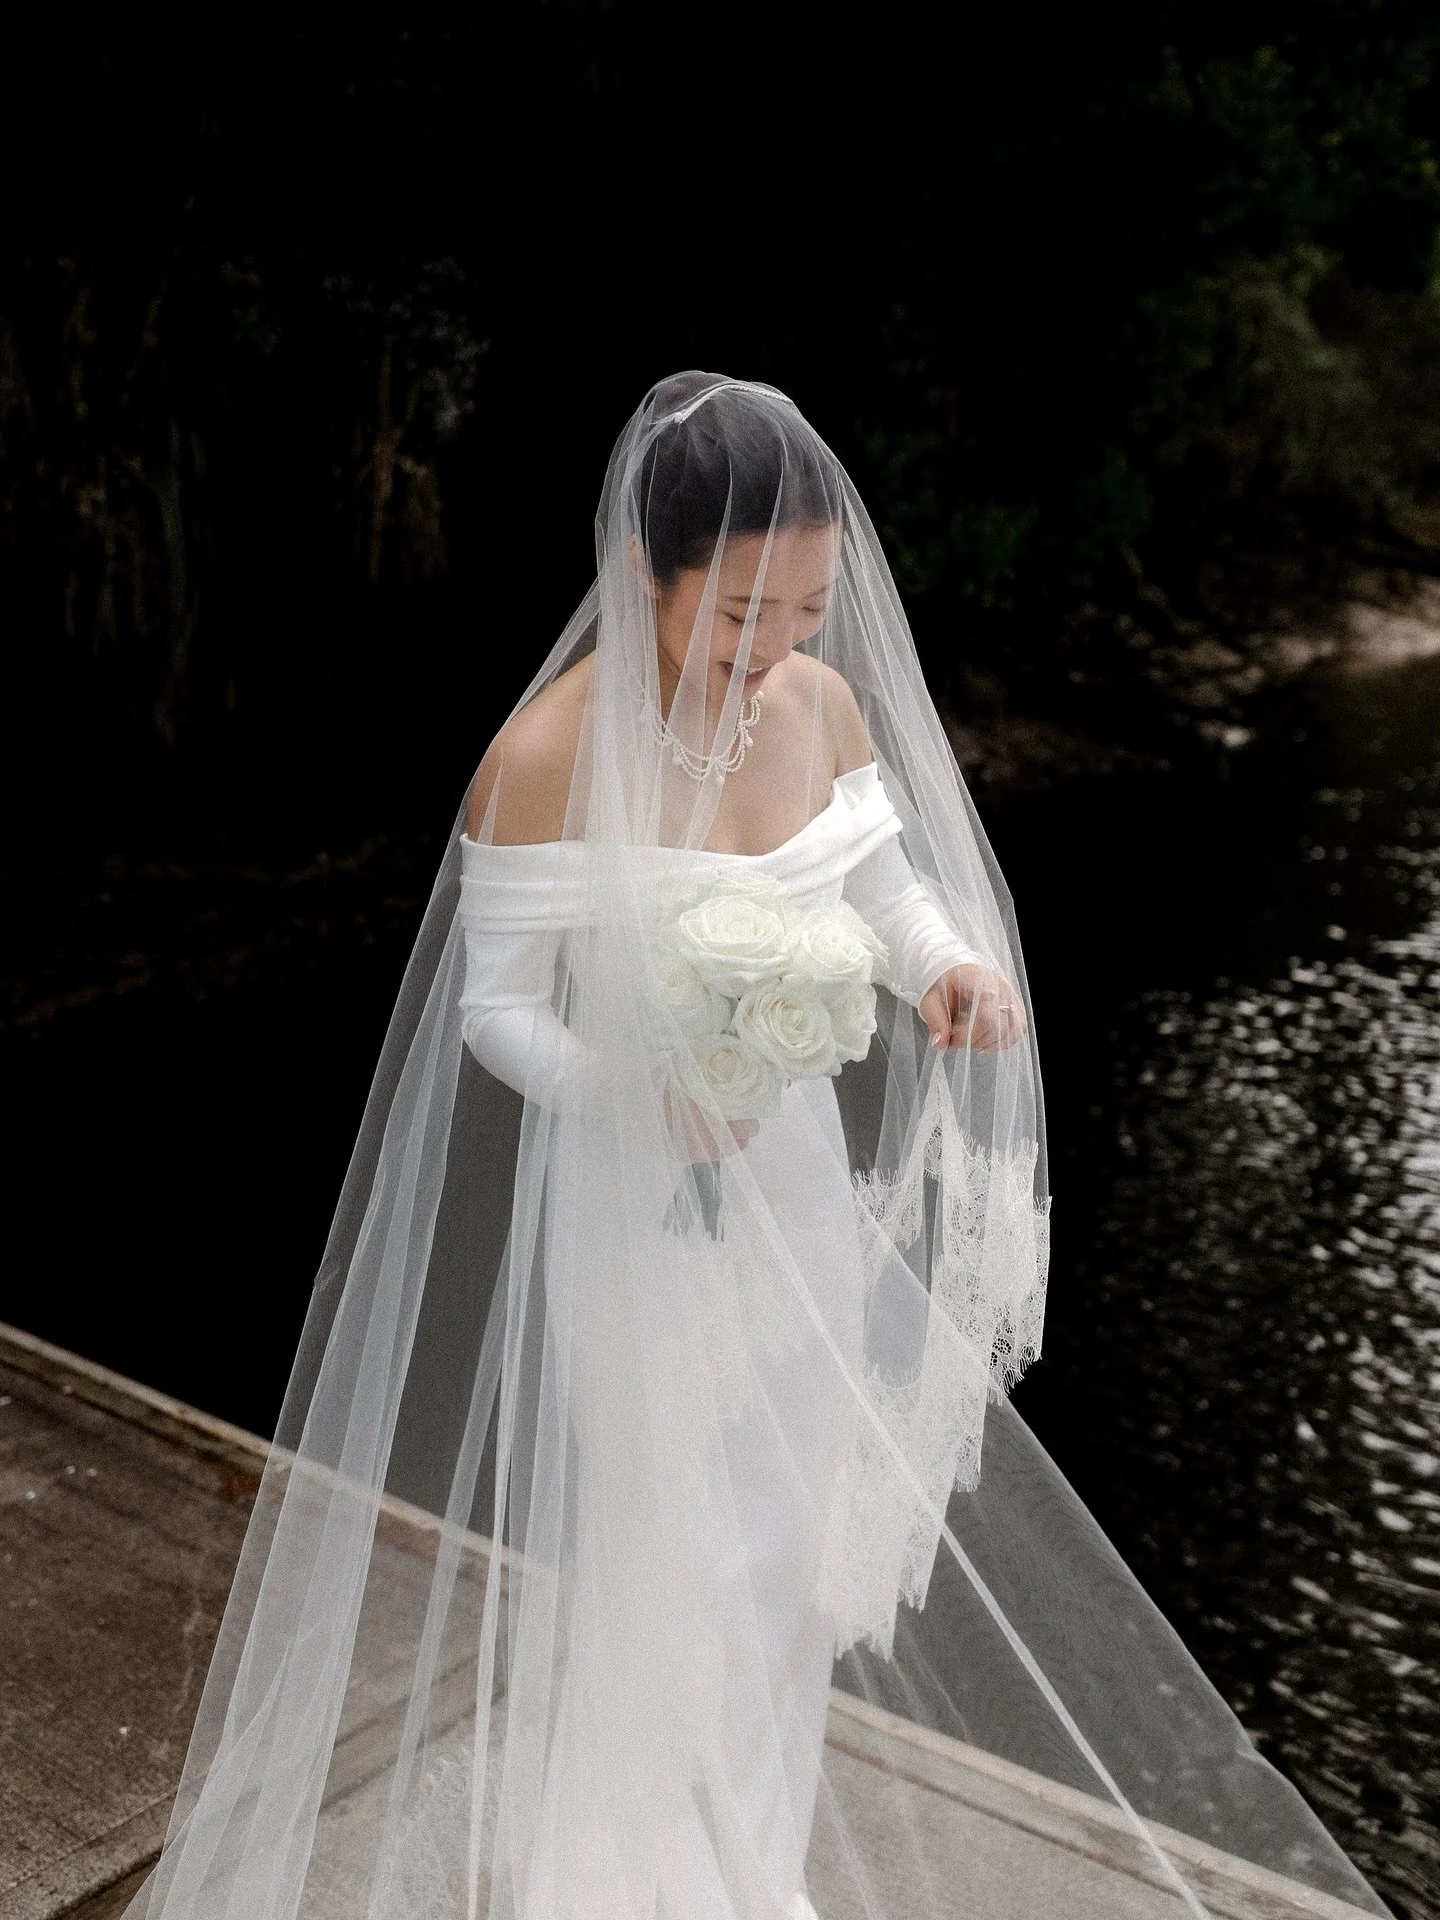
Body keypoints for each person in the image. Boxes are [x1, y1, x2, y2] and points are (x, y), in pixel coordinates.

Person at [127, 374, 1388, 1920]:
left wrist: (946, 972)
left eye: (806, 606)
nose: (776, 647)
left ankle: (750, 1872)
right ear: (643, 577)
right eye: (738, 613)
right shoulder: (542, 759)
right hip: (634, 1215)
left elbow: (876, 881)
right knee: (678, 1573)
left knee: (788, 1573)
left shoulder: (822, 708)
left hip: (790, 1199)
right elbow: (496, 1012)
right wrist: (624, 1088)